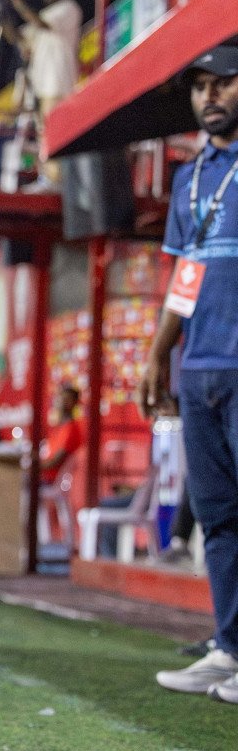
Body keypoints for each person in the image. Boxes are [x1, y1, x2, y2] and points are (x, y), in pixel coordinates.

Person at [140, 41, 238, 701]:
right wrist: (157, 351)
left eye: (225, 83)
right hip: (199, 363)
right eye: (201, 85)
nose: (211, 96)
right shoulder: (190, 176)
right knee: (218, 515)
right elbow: (186, 273)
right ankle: (229, 647)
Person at [4, 0, 82, 118]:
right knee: (45, 137)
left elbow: (41, 24)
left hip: (58, 85)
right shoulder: (45, 14)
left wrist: (17, 3)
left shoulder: (70, 8)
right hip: (41, 89)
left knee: (55, 134)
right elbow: (16, 37)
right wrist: (1, 13)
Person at [37, 384, 84, 487]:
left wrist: (33, 467)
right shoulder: (57, 428)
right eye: (61, 398)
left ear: (74, 403)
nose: (62, 402)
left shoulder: (72, 429)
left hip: (56, 482)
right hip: (44, 478)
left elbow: (56, 461)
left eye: (67, 399)